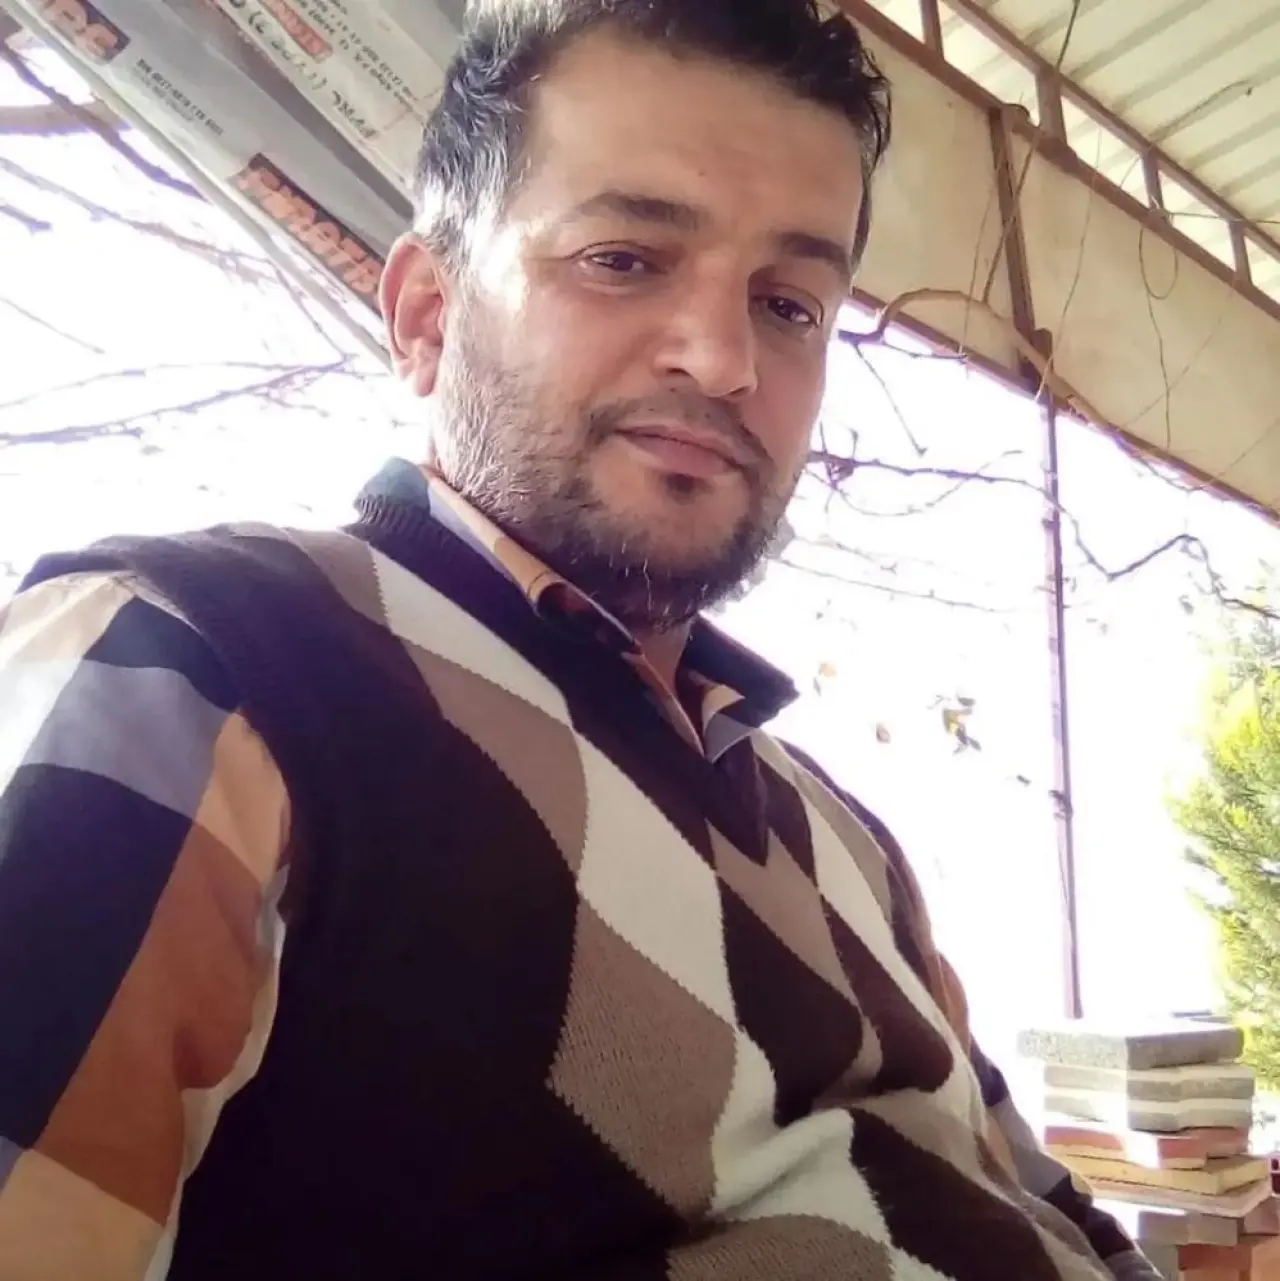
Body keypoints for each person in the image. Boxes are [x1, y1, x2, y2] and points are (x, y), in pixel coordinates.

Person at [0, 2, 1159, 1278]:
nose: (723, 359)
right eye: (621, 258)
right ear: (427, 316)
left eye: (787, 304)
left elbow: (1045, 1210)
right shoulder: (198, 668)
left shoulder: (845, 842)